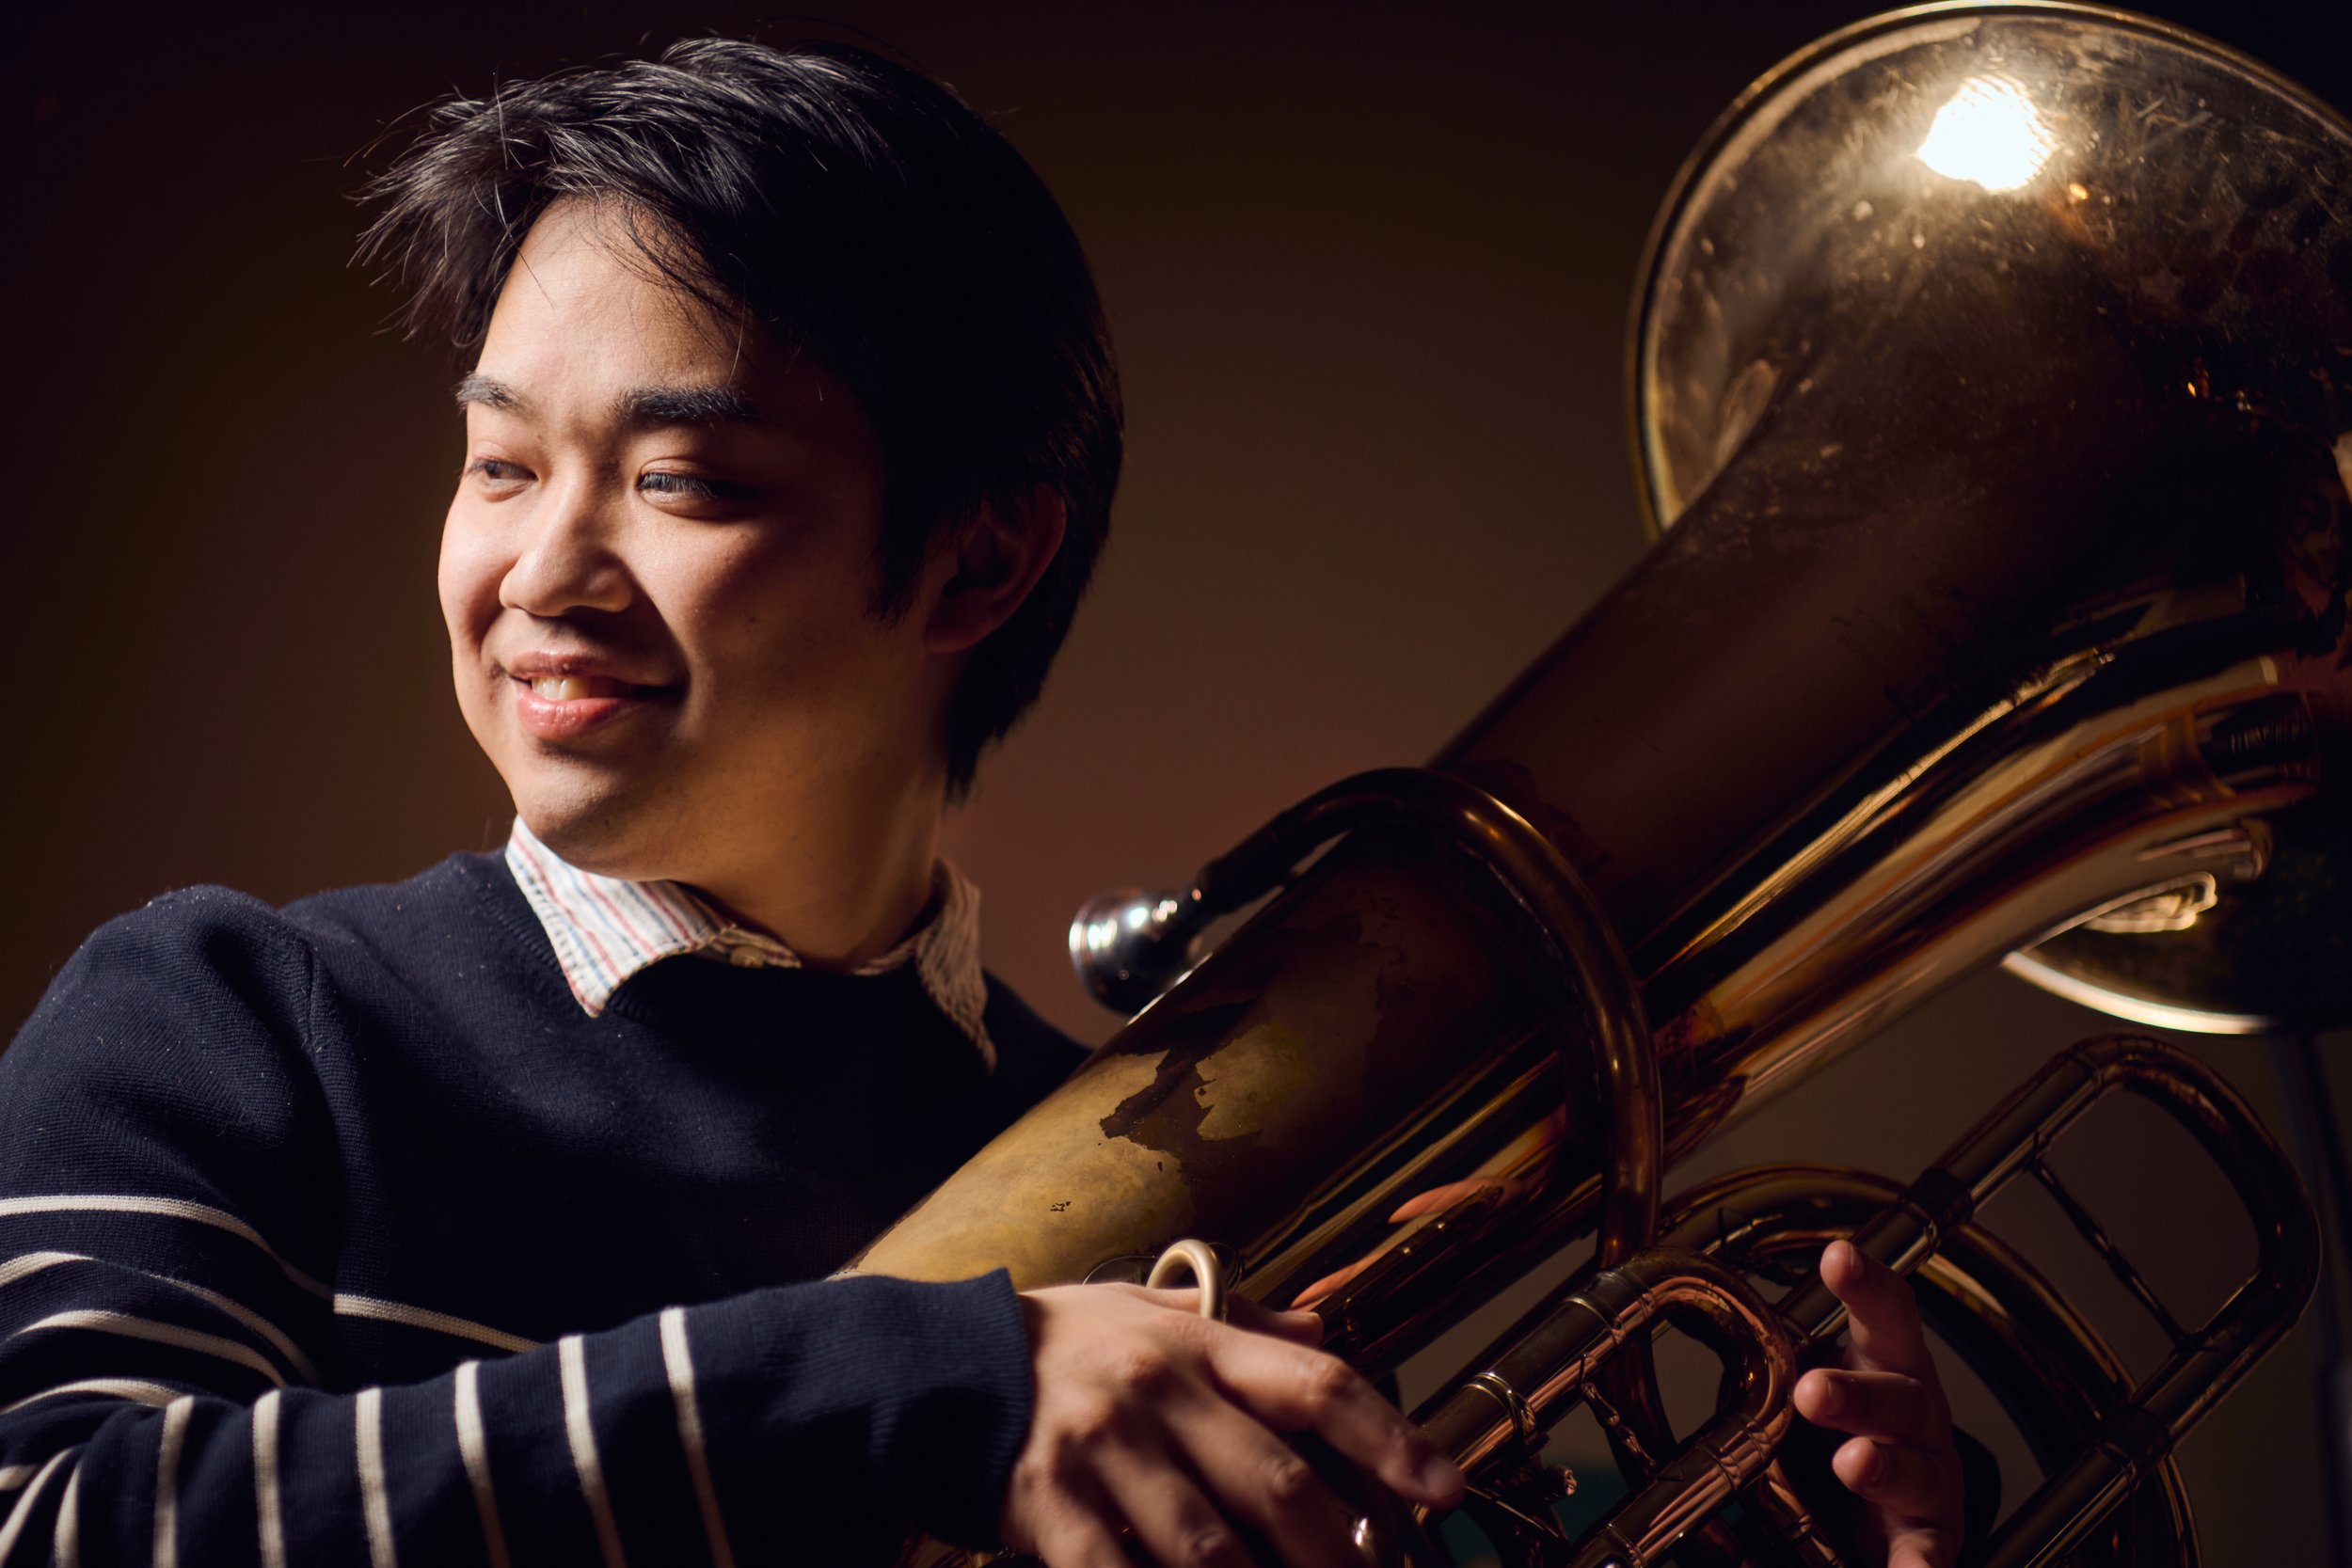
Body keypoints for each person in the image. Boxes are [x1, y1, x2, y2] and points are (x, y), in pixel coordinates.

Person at [0, 36, 1967, 1568]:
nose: (542, 572)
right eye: (501, 467)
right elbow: (53, 1521)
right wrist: (920, 1385)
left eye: (681, 481)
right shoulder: (226, 1019)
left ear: (975, 563)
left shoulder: (1177, 1209)